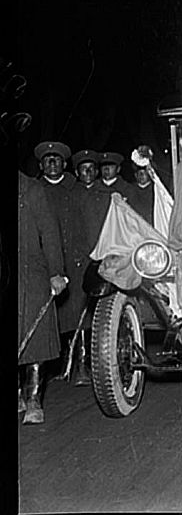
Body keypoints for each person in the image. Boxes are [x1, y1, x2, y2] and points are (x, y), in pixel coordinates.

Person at [35, 141, 91, 385]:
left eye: (56, 159)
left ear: (65, 164)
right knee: (51, 316)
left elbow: (89, 225)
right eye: (47, 160)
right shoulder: (36, 191)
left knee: (78, 313)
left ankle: (82, 366)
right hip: (48, 262)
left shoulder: (77, 190)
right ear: (41, 165)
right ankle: (54, 366)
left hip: (76, 262)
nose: (52, 163)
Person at [18, 172, 68, 424]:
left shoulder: (32, 189)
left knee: (35, 338)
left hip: (31, 273)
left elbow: (49, 231)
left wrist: (56, 272)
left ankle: (33, 399)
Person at [126, 161, 155, 226]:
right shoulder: (129, 190)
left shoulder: (156, 190)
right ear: (135, 175)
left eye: (144, 173)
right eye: (139, 173)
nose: (141, 176)